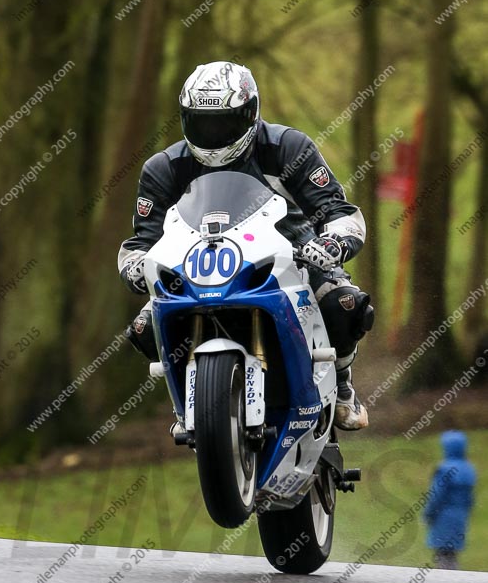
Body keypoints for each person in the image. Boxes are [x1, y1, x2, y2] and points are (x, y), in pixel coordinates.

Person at [118, 61, 374, 431]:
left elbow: (339, 210)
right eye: (201, 122)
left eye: (223, 122)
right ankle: (186, 404)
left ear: (250, 112)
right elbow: (141, 241)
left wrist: (333, 242)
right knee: (144, 327)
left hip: (292, 254)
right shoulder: (164, 168)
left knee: (344, 304)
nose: (212, 133)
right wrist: (135, 266)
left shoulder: (288, 147)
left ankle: (344, 383)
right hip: (198, 265)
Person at [423, 430, 476, 570]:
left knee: (443, 553)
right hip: (460, 516)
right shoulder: (468, 469)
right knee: (452, 553)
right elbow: (470, 498)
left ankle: (445, 580)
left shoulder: (444, 469)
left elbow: (436, 495)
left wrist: (428, 514)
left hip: (443, 516)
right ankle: (454, 577)